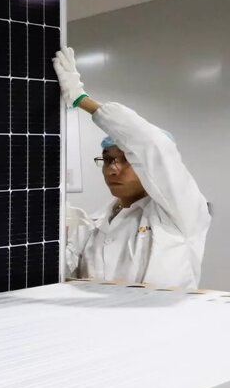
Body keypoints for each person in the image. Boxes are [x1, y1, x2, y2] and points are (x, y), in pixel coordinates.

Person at [54, 47, 210, 289]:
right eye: (108, 160)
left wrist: (81, 100)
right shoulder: (94, 223)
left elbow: (153, 146)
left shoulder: (181, 213)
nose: (113, 169)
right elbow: (66, 276)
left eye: (126, 159)